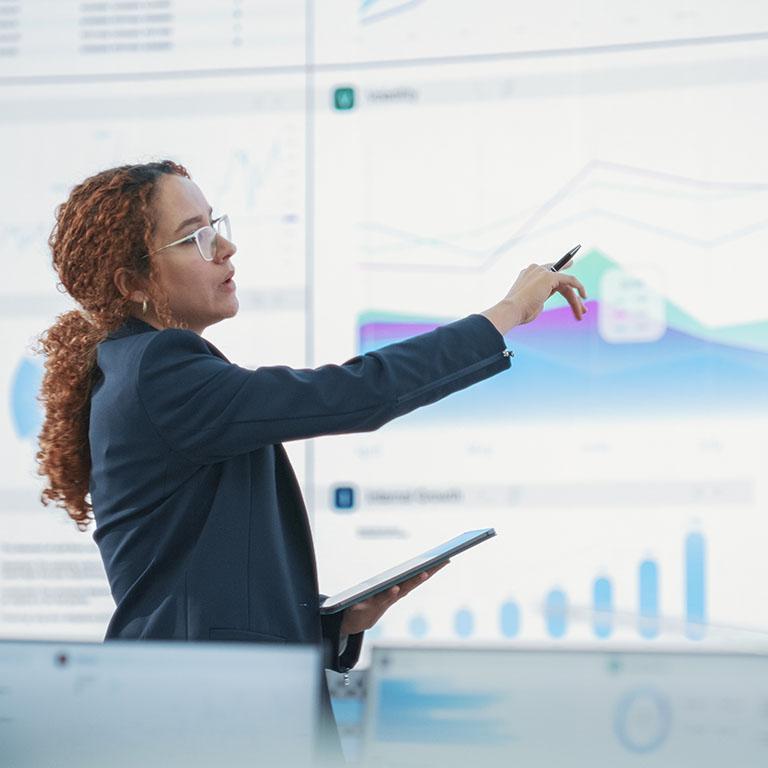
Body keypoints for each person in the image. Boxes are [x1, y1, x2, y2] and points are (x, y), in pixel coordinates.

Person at [35, 160, 587, 761]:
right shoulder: (161, 370)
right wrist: (506, 313)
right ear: (132, 283)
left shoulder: (139, 373)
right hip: (201, 719)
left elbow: (203, 596)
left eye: (215, 222)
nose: (225, 245)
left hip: (196, 706)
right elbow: (360, 392)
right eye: (194, 235)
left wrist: (334, 628)